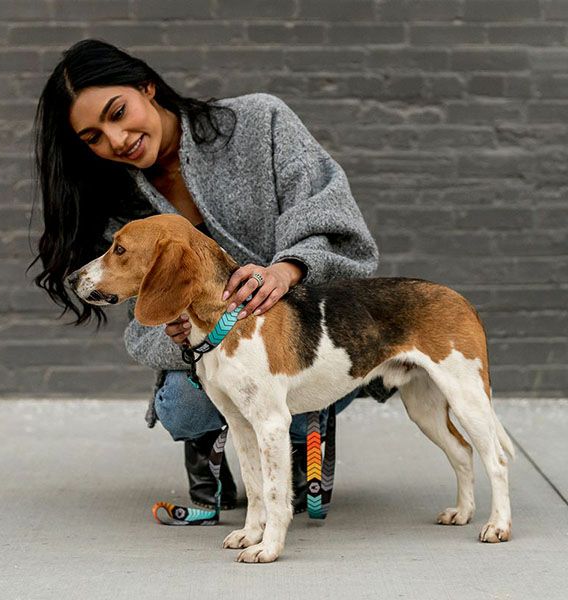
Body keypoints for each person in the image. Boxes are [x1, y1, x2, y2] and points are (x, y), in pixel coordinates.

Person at [32, 39, 383, 514]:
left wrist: (288, 269)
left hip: (299, 337)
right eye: (93, 137)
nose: (115, 140)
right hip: (211, 353)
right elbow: (140, 322)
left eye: (118, 112)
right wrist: (176, 330)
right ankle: (210, 463)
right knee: (182, 404)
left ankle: (306, 433)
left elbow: (334, 219)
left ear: (146, 86)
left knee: (307, 382)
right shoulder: (115, 200)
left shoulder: (260, 121)